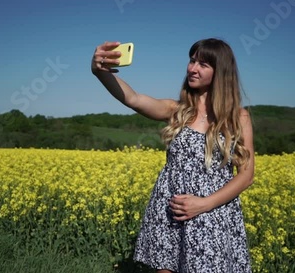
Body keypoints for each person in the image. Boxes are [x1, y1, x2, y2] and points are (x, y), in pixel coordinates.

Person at [91, 38, 254, 273]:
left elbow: (246, 175)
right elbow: (133, 99)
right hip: (170, 210)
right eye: (192, 61)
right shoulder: (177, 111)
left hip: (212, 212)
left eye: (203, 64)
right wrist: (100, 71)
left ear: (221, 72)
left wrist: (203, 205)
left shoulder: (238, 118)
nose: (192, 68)